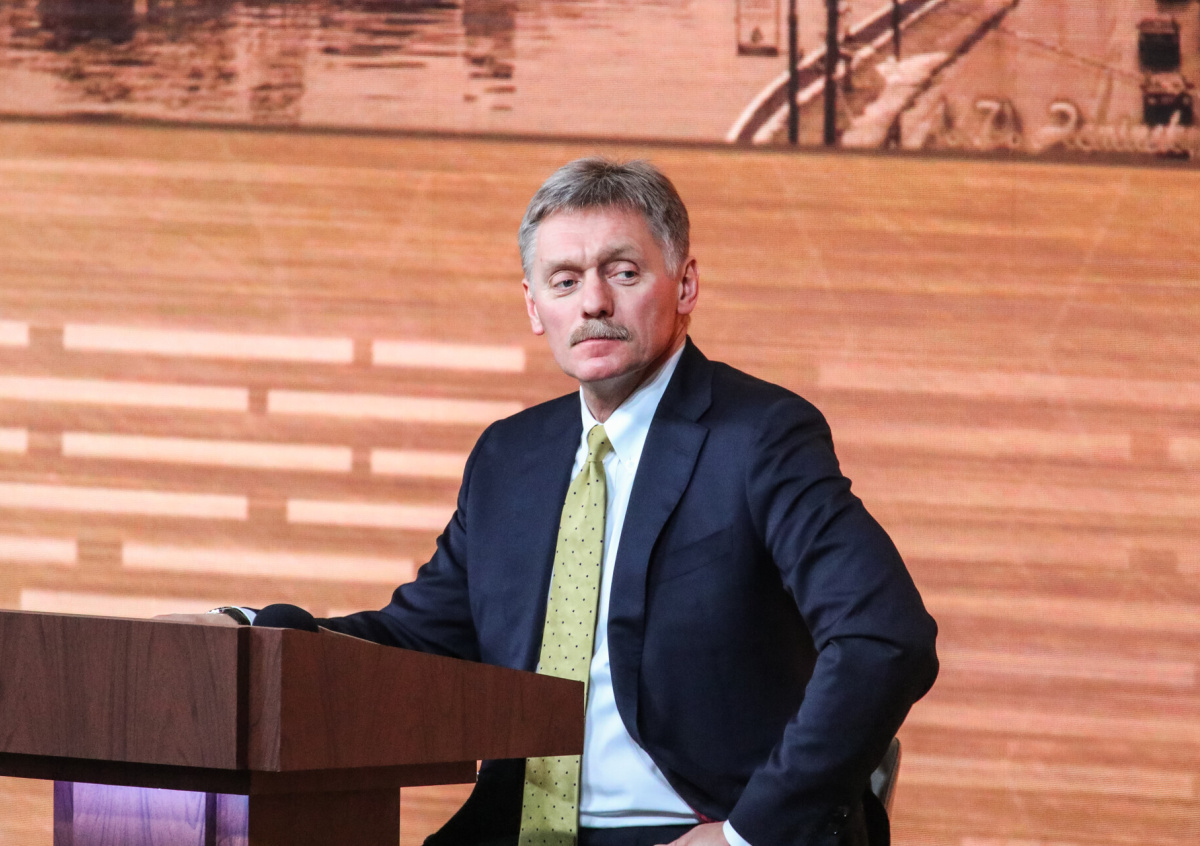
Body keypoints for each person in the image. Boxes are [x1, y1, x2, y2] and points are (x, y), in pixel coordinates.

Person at [206, 158, 938, 846]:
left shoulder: (761, 436)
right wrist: (248, 631)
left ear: (684, 286)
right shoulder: (509, 457)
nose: (593, 302)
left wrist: (748, 835)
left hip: (695, 825)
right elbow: (421, 644)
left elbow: (884, 638)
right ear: (535, 307)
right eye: (564, 281)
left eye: (623, 272)